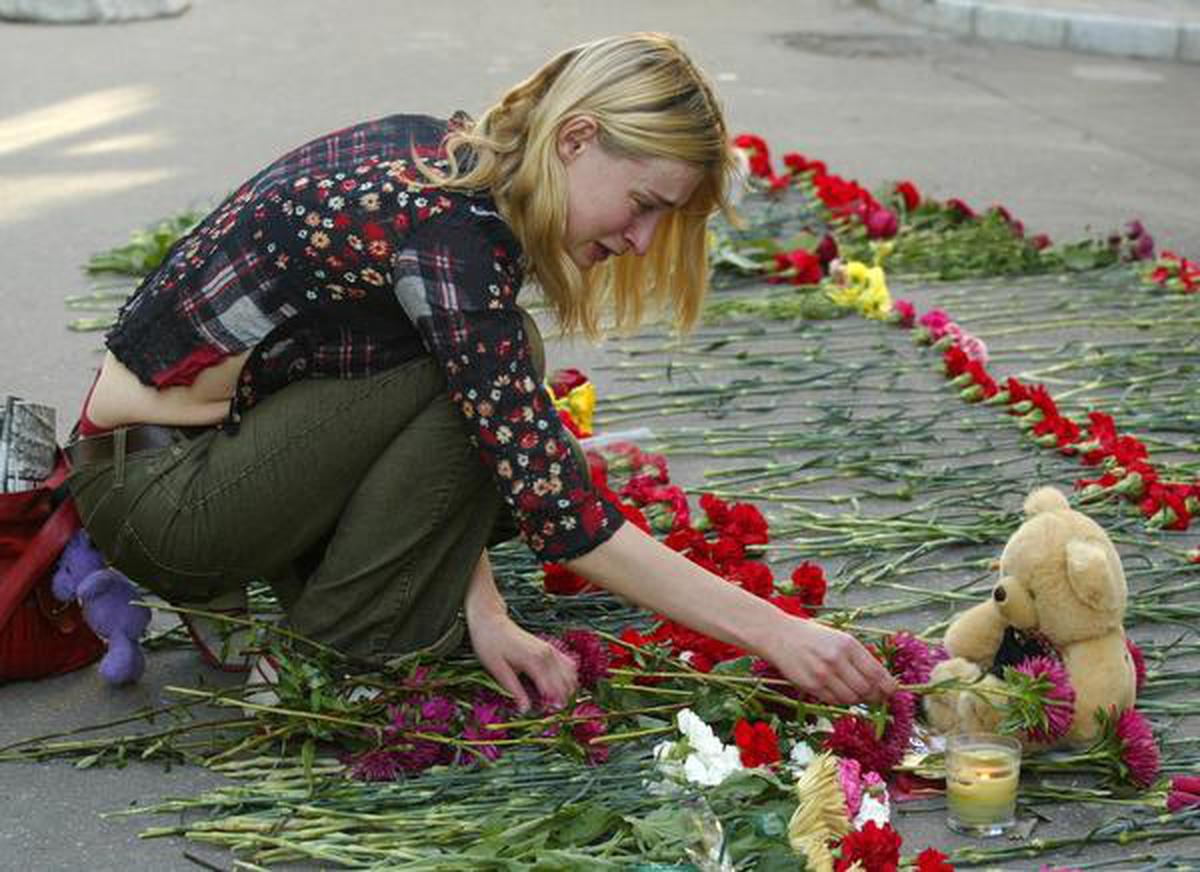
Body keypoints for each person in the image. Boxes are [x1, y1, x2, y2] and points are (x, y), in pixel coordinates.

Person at [66, 33, 896, 711]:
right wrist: (780, 633)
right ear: (577, 139)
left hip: (164, 462)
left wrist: (485, 612)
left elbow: (440, 407)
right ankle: (327, 660)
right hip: (167, 500)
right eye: (645, 204)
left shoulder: (443, 157)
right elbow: (561, 513)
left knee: (492, 382)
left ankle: (291, 599)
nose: (642, 241)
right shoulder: (451, 237)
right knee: (509, 385)